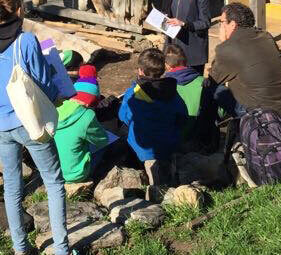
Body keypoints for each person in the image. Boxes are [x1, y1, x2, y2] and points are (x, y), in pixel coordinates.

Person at [0, 0, 77, 255]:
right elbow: (44, 85)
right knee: (53, 182)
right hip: (30, 123)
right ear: (19, 10)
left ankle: (20, 251)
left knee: (12, 185)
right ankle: (62, 254)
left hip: (0, 124)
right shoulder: (27, 42)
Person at [208, 2, 281, 128]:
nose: (220, 26)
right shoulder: (266, 36)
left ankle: (207, 131)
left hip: (266, 119)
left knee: (212, 89)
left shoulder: (228, 48)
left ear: (233, 24)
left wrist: (224, 42)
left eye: (222, 22)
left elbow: (214, 78)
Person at [118, 48, 188, 185]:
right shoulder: (172, 92)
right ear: (163, 70)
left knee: (123, 131)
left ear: (140, 70)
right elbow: (182, 116)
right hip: (169, 143)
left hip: (144, 148)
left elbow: (123, 116)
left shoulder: (133, 93)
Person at [53, 65, 111, 183]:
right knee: (108, 147)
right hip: (76, 174)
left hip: (53, 172)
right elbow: (103, 141)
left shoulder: (56, 109)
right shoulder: (87, 115)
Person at [162, 0, 211, 74]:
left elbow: (205, 23)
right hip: (173, 47)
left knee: (192, 81)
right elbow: (166, 13)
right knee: (173, 81)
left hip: (192, 49)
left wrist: (184, 24)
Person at [163, 45, 207, 146]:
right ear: (186, 61)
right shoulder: (204, 83)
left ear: (167, 65)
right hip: (199, 138)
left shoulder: (162, 86)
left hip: (172, 139)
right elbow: (221, 113)